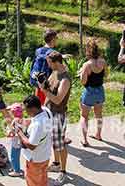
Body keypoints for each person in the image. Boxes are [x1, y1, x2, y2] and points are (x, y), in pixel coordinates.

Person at [40, 51, 71, 183]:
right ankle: (57, 164)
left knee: (60, 144)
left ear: (56, 63)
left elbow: (58, 100)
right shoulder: (55, 72)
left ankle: (63, 172)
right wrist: (42, 82)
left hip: (58, 115)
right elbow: (50, 86)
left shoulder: (65, 79)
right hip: (49, 112)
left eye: (49, 63)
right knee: (53, 142)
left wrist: (44, 91)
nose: (48, 65)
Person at [16, 96, 52, 186]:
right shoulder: (45, 111)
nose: (26, 112)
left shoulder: (38, 125)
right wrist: (23, 121)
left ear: (33, 109)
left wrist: (19, 131)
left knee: (33, 182)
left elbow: (31, 145)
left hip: (35, 159)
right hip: (45, 155)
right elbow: (33, 119)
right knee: (42, 179)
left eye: (26, 110)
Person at [78, 39, 107, 147]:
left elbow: (83, 81)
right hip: (100, 91)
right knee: (98, 114)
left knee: (84, 116)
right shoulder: (103, 62)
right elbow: (106, 75)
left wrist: (81, 73)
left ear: (88, 51)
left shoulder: (87, 65)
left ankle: (85, 140)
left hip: (89, 91)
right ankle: (98, 134)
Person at [30, 30, 59, 105]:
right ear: (53, 40)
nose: (57, 40)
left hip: (37, 79)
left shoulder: (38, 50)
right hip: (46, 82)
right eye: (56, 38)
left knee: (38, 101)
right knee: (44, 103)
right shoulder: (53, 52)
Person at [6, 103, 26, 177]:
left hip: (15, 141)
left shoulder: (15, 120)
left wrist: (9, 134)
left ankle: (16, 171)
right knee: (16, 155)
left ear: (14, 112)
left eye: (11, 111)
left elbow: (12, 131)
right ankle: (15, 167)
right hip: (19, 141)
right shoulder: (22, 119)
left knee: (14, 156)